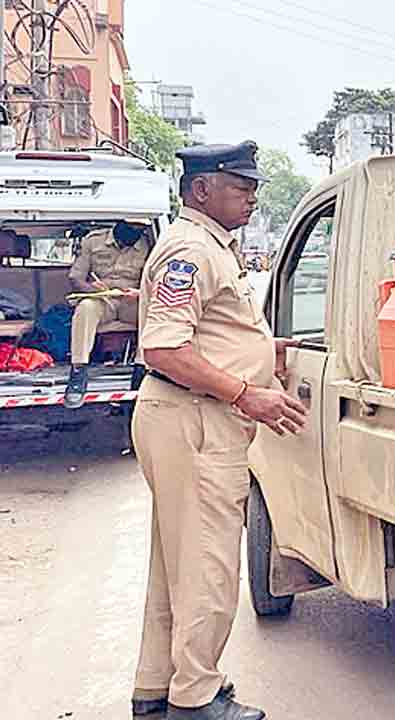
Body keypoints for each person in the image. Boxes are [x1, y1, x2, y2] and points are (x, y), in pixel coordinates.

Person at [130, 141, 307, 720]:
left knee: (176, 567)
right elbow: (163, 345)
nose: (252, 196)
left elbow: (209, 331)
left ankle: (158, 689)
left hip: (184, 416)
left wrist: (265, 350)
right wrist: (244, 392)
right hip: (196, 420)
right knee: (208, 566)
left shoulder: (210, 245)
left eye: (253, 186)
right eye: (240, 186)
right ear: (201, 190)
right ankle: (195, 699)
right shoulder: (190, 250)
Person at [63, 220, 152, 409]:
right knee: (85, 307)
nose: (135, 233)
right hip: (103, 300)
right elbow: (75, 277)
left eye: (139, 229)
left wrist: (140, 293)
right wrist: (90, 289)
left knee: (151, 309)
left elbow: (155, 281)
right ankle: (78, 371)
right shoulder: (93, 241)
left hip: (131, 302)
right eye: (131, 228)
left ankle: (140, 369)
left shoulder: (149, 244)